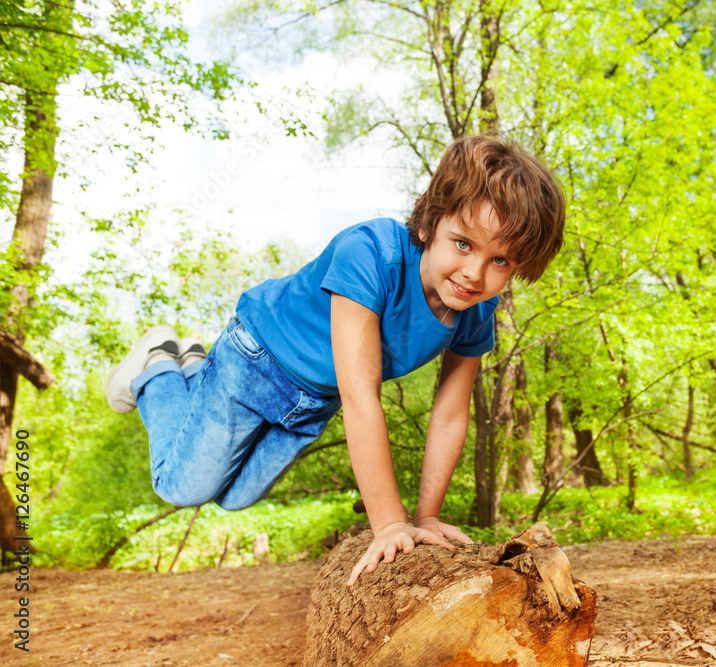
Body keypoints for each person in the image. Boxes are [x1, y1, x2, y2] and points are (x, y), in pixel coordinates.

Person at [104, 135, 565, 585]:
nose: (474, 273)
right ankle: (158, 368)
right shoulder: (371, 253)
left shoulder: (476, 312)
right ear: (429, 224)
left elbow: (448, 416)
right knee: (180, 488)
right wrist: (389, 525)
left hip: (312, 401)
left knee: (236, 497)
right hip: (256, 361)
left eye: (500, 260)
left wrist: (425, 517)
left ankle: (188, 364)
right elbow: (360, 393)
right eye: (463, 243)